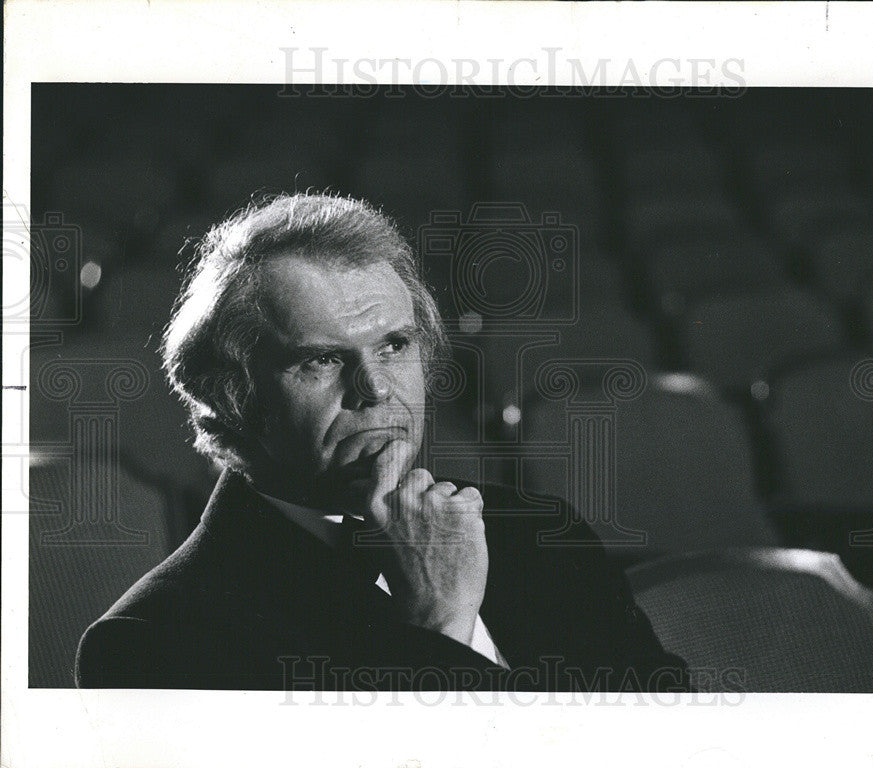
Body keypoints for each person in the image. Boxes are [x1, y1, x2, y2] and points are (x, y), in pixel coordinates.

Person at [75, 193, 688, 692]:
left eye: (395, 345)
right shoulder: (152, 640)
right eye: (320, 360)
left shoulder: (540, 533)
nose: (375, 389)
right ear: (231, 399)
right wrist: (440, 629)